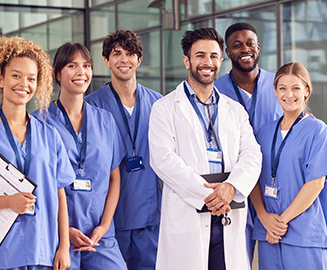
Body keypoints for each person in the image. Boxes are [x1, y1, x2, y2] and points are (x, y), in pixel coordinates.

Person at [0, 36, 73, 270]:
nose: (24, 84)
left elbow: (60, 195)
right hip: (0, 256)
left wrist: (64, 247)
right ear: (0, 79)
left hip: (44, 251)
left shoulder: (50, 136)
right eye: (16, 76)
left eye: (31, 78)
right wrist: (8, 202)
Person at [149, 28, 261, 270]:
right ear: (186, 60)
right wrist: (210, 196)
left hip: (229, 213)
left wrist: (231, 188)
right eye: (200, 55)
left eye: (213, 56)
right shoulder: (164, 108)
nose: (207, 62)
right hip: (190, 213)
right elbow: (163, 160)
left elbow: (252, 154)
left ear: (220, 60)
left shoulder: (235, 110)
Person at [32, 42, 127, 270]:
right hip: (57, 236)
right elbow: (37, 184)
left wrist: (104, 226)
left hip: (100, 237)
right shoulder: (39, 122)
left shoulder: (105, 120)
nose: (81, 72)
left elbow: (114, 177)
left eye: (86, 66)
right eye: (72, 66)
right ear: (57, 74)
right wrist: (63, 230)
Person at [84, 29, 162, 269]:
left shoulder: (159, 104)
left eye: (130, 54)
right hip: (108, 219)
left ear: (139, 60)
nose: (124, 60)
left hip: (150, 216)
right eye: (116, 54)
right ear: (106, 60)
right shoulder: (91, 106)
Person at [214, 22, 283, 263]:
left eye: (250, 43)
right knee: (234, 259)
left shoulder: (279, 86)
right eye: (237, 45)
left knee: (274, 255)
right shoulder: (216, 91)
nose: (245, 49)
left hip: (273, 186)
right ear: (228, 52)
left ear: (258, 47)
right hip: (233, 186)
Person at [250, 62, 327, 270]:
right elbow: (252, 177)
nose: (289, 94)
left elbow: (315, 183)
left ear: (306, 91)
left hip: (302, 233)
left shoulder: (317, 131)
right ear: (275, 91)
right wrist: (264, 217)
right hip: (268, 231)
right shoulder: (264, 132)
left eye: (296, 88)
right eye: (282, 88)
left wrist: (280, 223)